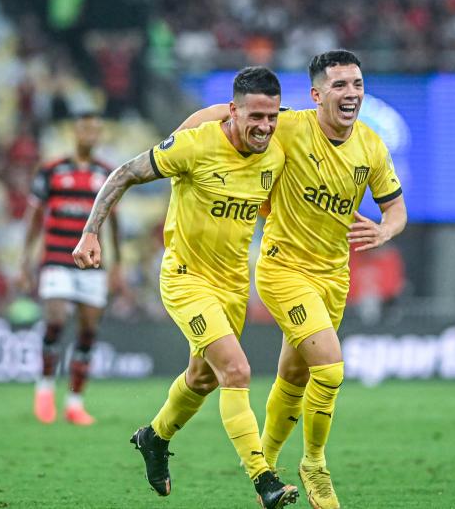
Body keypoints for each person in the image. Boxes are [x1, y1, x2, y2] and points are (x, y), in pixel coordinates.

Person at [177, 49, 406, 509]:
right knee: (331, 368)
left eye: (357, 84)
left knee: (295, 375)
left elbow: (395, 208)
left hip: (332, 275)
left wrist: (385, 228)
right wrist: (180, 138)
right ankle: (315, 464)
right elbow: (230, 112)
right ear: (317, 94)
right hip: (283, 269)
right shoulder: (291, 125)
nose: (352, 93)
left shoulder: (371, 146)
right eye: (340, 85)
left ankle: (268, 467)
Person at [72, 66, 299, 508]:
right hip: (185, 278)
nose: (265, 127)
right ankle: (264, 480)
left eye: (272, 117)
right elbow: (123, 173)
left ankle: (153, 438)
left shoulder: (275, 154)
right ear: (233, 111)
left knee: (202, 377)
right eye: (255, 116)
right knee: (236, 371)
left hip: (233, 284)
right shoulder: (196, 144)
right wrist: (90, 232)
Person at [20, 111, 121, 425]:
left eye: (95, 129)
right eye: (85, 128)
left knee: (89, 330)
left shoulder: (107, 173)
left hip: (92, 263)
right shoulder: (51, 170)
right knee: (56, 319)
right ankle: (46, 389)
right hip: (56, 257)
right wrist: (25, 259)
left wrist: (119, 264)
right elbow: (35, 217)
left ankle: (75, 402)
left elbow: (115, 222)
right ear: (74, 132)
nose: (90, 134)